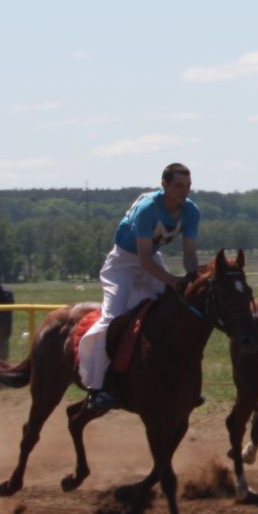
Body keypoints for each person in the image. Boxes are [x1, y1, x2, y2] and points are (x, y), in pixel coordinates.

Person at [77, 163, 201, 412]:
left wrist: (192, 277)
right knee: (112, 319)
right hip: (122, 263)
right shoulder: (147, 209)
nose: (184, 191)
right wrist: (171, 280)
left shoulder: (191, 211)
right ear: (164, 184)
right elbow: (142, 261)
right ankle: (99, 389)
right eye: (178, 185)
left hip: (151, 260)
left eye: (188, 186)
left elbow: (189, 254)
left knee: (168, 311)